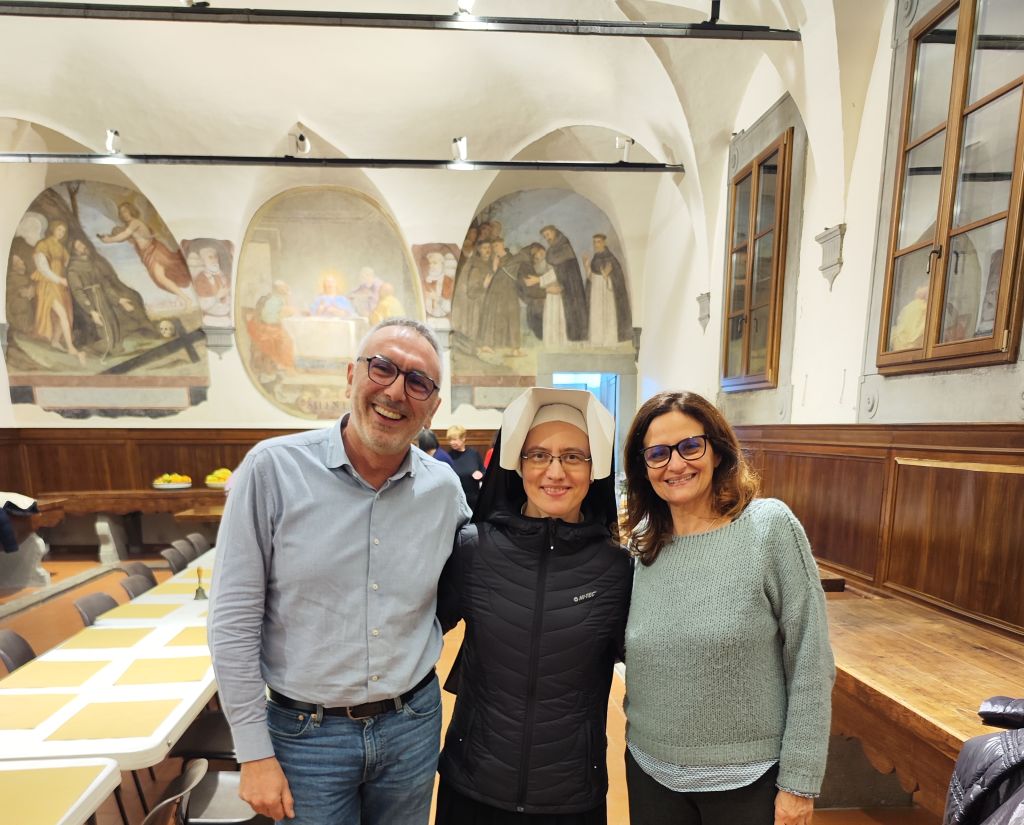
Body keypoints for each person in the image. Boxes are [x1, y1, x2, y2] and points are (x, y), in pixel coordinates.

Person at [209, 317, 471, 825]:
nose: (395, 391)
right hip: (306, 737)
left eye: (418, 381)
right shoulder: (273, 470)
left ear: (433, 407)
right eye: (382, 368)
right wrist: (253, 752)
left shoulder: (444, 490)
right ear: (352, 375)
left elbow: (461, 589)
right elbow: (233, 622)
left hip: (412, 725)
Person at [621, 391, 835, 825]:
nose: (675, 464)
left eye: (690, 446)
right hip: (650, 773)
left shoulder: (769, 528)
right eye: (658, 454)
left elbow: (810, 659)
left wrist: (799, 781)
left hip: (748, 783)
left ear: (717, 450)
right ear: (643, 468)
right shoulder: (642, 545)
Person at [436, 387, 632, 824]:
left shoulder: (617, 569)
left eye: (574, 456)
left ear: (595, 468)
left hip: (570, 794)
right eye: (539, 455)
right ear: (518, 463)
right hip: (473, 782)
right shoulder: (474, 549)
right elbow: (414, 630)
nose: (555, 471)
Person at [98, 202, 194, 307]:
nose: (123, 214)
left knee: (160, 277)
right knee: (159, 279)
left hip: (155, 252)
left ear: (131, 210)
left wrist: (110, 240)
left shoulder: (135, 223)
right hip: (147, 254)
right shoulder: (129, 225)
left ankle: (186, 299)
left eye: (125, 211)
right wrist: (109, 236)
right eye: (121, 213)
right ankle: (184, 297)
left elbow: (124, 235)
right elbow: (124, 237)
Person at [446, 424, 485, 510]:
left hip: (474, 501)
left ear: (463, 438)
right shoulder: (448, 457)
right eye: (450, 440)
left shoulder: (473, 454)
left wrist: (481, 474)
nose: (451, 442)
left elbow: (484, 472)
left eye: (454, 439)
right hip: (456, 501)